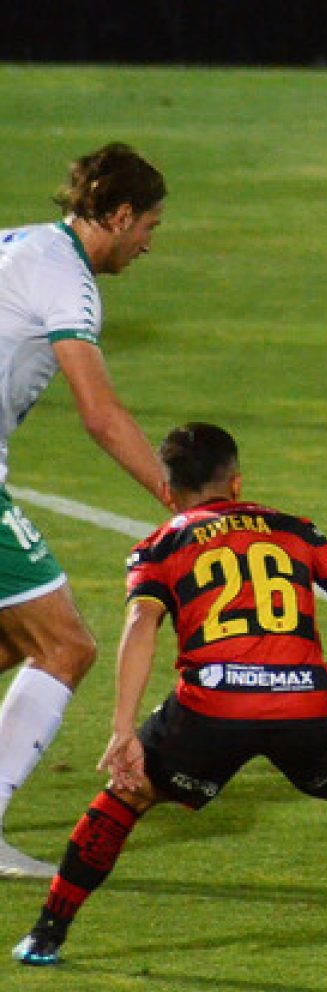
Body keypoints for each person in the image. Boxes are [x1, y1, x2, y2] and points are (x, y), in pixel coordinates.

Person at [12, 422, 327, 969]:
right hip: (305, 702)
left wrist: (123, 729)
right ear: (236, 483)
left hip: (212, 707)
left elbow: (142, 625)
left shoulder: (160, 545)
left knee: (126, 796)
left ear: (168, 491)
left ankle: (46, 937)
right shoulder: (293, 530)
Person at [0, 142, 171, 877]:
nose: (147, 245)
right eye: (149, 227)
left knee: (14, 640)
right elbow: (99, 414)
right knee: (65, 646)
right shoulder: (67, 279)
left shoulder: (18, 243)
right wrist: (181, 501)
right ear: (121, 214)